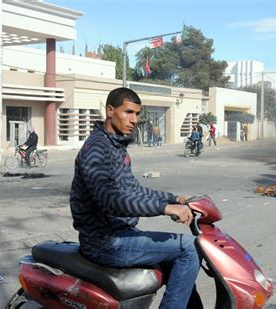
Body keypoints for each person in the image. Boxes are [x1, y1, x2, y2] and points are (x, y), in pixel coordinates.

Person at [70, 87, 202, 309]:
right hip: (104, 242)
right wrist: (165, 208)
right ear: (110, 111)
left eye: (137, 114)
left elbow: (134, 189)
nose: (134, 120)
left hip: (120, 233)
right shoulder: (96, 149)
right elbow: (111, 201)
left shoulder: (115, 147)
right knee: (189, 249)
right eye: (128, 112)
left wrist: (174, 199)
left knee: (175, 255)